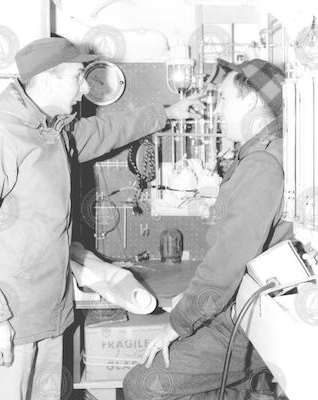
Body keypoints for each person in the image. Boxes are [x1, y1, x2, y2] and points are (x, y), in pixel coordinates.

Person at [0, 36, 204, 399]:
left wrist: (166, 113)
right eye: (78, 76)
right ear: (47, 80)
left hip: (49, 309)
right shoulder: (5, 133)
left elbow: (104, 132)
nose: (85, 87)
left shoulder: (52, 129)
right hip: (12, 319)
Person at [123, 58, 294, 399]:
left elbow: (225, 267)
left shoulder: (261, 165)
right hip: (249, 309)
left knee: (142, 384)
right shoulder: (264, 153)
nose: (218, 110)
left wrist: (177, 324)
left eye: (225, 99)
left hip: (249, 322)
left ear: (250, 101)